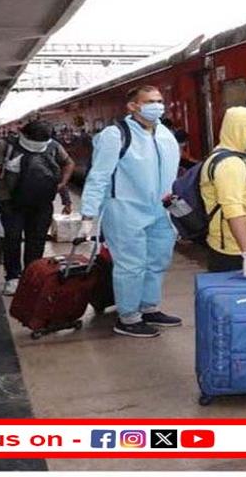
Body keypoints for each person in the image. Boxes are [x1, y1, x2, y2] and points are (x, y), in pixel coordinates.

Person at [79, 85, 181, 338]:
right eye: (149, 102)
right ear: (133, 106)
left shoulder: (164, 134)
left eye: (159, 100)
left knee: (157, 260)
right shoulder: (115, 135)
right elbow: (99, 176)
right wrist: (89, 214)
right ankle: (128, 317)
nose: (157, 106)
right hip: (125, 209)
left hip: (161, 210)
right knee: (131, 265)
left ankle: (148, 307)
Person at [0, 120, 74, 296]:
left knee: (37, 239)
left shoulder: (53, 146)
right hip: (10, 200)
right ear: (22, 133)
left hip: (41, 200)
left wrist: (62, 184)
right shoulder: (3, 146)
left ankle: (31, 274)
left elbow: (68, 163)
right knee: (13, 238)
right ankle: (13, 276)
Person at [200, 106, 246, 278]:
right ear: (239, 131)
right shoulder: (230, 165)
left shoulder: (234, 157)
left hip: (239, 245)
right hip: (234, 250)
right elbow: (233, 211)